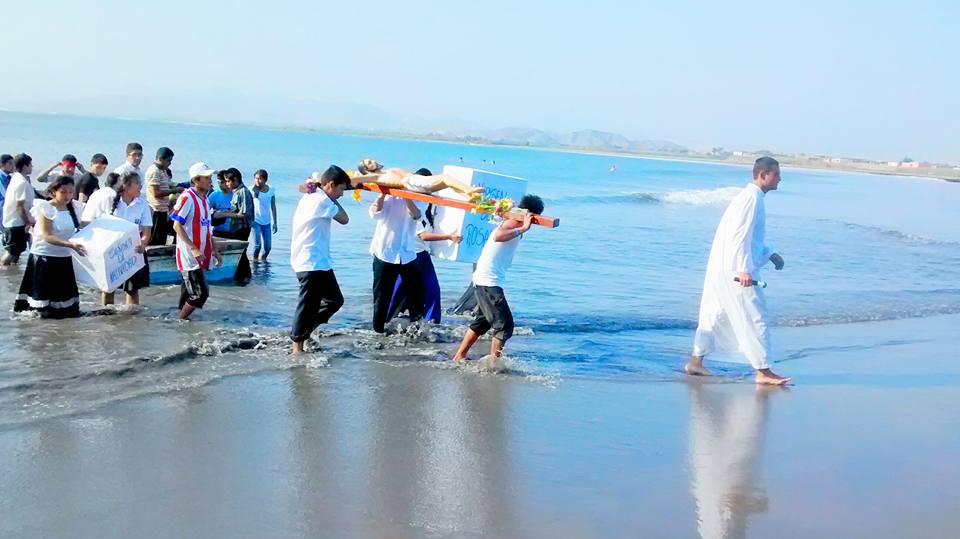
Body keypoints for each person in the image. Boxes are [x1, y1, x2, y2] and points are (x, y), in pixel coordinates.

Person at [685, 157, 790, 386]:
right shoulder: (750, 199)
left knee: (715, 314)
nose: (780, 178)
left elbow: (750, 238)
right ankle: (763, 371)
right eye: (776, 174)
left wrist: (770, 254)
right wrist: (743, 270)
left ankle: (696, 362)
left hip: (723, 268)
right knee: (754, 316)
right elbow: (738, 236)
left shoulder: (751, 198)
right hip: (735, 271)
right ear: (763, 175)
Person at [452, 194, 544, 364]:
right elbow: (498, 236)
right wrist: (523, 228)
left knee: (484, 321)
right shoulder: (514, 223)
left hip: (484, 278)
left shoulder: (512, 219)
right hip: (489, 280)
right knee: (505, 325)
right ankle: (493, 364)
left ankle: (460, 356)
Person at [386, 169, 462, 324]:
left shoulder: (428, 205)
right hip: (410, 255)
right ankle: (385, 319)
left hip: (421, 254)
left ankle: (431, 322)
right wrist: (449, 237)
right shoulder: (411, 205)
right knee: (399, 291)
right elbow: (423, 235)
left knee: (431, 290)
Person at [289, 166, 351, 353]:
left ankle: (304, 332)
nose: (341, 194)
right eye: (341, 189)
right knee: (307, 305)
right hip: (309, 260)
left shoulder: (313, 195)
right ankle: (297, 347)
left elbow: (305, 187)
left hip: (320, 261)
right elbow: (344, 219)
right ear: (331, 185)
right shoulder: (321, 200)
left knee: (335, 300)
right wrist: (330, 196)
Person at [13, 175, 87, 318]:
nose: (67, 196)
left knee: (66, 311)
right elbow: (48, 236)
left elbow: (83, 225)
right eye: (63, 192)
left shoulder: (75, 207)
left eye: (71, 192)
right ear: (54, 191)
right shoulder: (46, 208)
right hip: (44, 258)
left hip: (64, 258)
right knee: (40, 311)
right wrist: (70, 244)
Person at [81, 171, 152, 305]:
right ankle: (107, 316)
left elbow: (147, 229)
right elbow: (98, 224)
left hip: (133, 250)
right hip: (113, 251)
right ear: (125, 185)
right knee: (108, 288)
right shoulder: (110, 201)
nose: (140, 186)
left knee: (132, 289)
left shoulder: (142, 204)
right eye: (137, 183)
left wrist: (143, 243)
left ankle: (131, 320)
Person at [368, 174, 426, 333]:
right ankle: (377, 330)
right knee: (381, 295)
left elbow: (416, 215)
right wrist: (383, 194)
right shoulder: (388, 197)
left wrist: (406, 196)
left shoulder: (419, 198)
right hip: (385, 251)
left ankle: (418, 328)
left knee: (416, 293)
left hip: (407, 253)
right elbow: (374, 213)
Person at [170, 162, 222, 320]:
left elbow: (207, 229)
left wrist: (214, 250)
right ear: (196, 180)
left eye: (210, 177)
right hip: (188, 255)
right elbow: (176, 225)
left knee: (187, 291)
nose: (210, 180)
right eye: (206, 178)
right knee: (200, 294)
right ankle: (181, 320)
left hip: (201, 252)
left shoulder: (205, 200)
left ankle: (176, 321)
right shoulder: (188, 197)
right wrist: (193, 248)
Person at [354, 159, 483, 198]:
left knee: (447, 183)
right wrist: (356, 177)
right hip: (411, 182)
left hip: (414, 179)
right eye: (369, 163)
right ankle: (469, 191)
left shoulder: (385, 172)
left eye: (371, 160)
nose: (373, 161)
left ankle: (468, 195)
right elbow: (357, 180)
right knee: (445, 178)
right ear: (367, 170)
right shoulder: (377, 177)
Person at [1, 154, 37, 267]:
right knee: (11, 253)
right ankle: (2, 274)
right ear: (25, 166)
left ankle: (9, 279)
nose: (32, 167)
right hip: (16, 223)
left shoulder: (17, 178)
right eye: (31, 164)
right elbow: (20, 205)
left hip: (16, 222)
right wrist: (27, 223)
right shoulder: (20, 182)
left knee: (16, 253)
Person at [144, 146, 182, 246]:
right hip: (155, 210)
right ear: (161, 159)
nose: (170, 163)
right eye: (168, 160)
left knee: (162, 239)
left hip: (163, 210)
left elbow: (168, 184)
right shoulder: (154, 171)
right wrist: (174, 191)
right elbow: (156, 193)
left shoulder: (163, 170)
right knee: (155, 241)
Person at [251, 169, 277, 261]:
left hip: (267, 221)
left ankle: (262, 260)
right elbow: (254, 197)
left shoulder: (271, 189)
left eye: (260, 179)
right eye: (256, 178)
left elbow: (273, 206)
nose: (257, 181)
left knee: (268, 248)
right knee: (258, 245)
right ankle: (254, 263)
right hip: (255, 221)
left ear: (265, 180)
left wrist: (275, 222)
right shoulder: (252, 189)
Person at [208, 173, 233, 238]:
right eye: (218, 182)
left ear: (227, 182)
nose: (220, 185)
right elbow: (204, 211)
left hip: (234, 231)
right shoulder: (214, 195)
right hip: (218, 231)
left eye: (222, 182)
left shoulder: (235, 194)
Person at [0, 155, 14, 230]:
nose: (13, 166)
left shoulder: (9, 177)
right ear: (2, 164)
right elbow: (5, 194)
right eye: (10, 163)